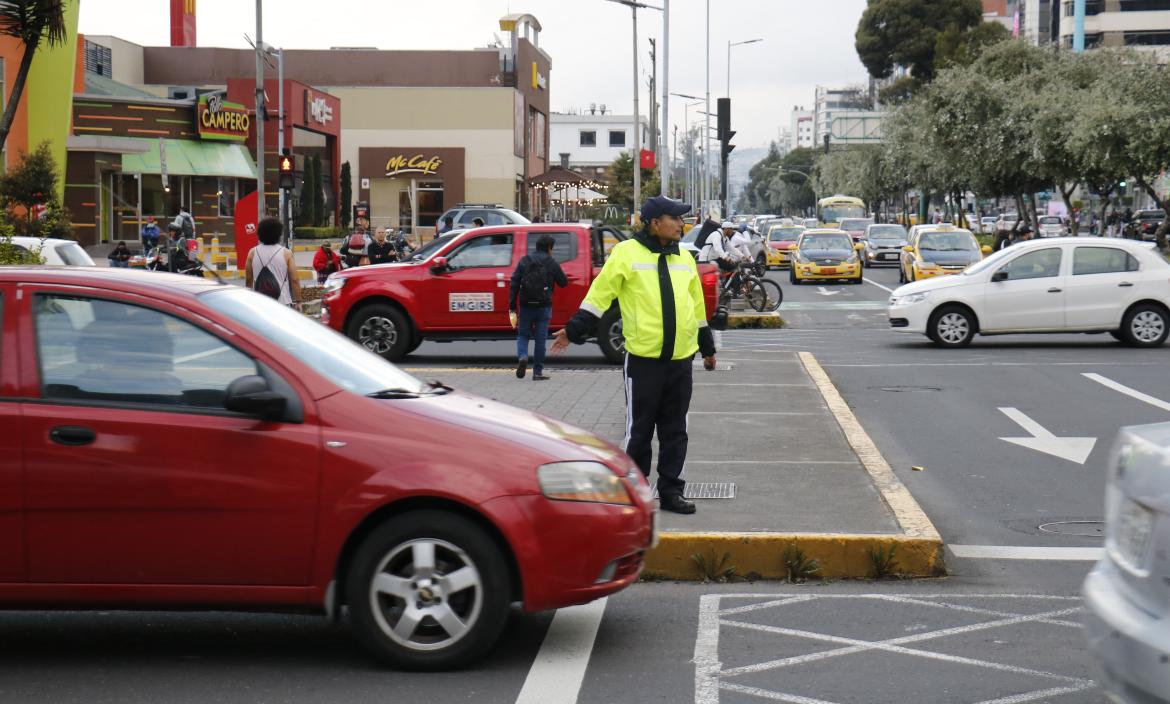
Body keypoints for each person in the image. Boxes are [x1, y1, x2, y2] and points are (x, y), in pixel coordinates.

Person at [551, 196, 717, 515]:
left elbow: (696, 308)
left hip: (680, 361)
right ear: (656, 223)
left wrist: (707, 348)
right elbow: (600, 296)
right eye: (677, 219)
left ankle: (670, 491)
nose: (683, 224)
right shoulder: (626, 254)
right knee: (639, 431)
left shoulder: (683, 257)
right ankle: (636, 492)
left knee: (675, 430)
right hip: (643, 362)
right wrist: (573, 330)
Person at [510, 234, 569, 381]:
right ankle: (537, 372)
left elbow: (514, 282)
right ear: (549, 248)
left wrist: (512, 305)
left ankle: (523, 357)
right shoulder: (551, 262)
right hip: (544, 306)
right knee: (540, 339)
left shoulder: (525, 260)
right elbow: (564, 283)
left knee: (523, 335)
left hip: (525, 305)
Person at [246, 217, 301, 306]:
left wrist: (249, 300)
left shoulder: (252, 253)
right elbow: (294, 279)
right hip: (283, 302)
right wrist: (299, 301)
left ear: (260, 233)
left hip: (260, 303)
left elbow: (249, 279)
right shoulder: (286, 253)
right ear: (278, 234)